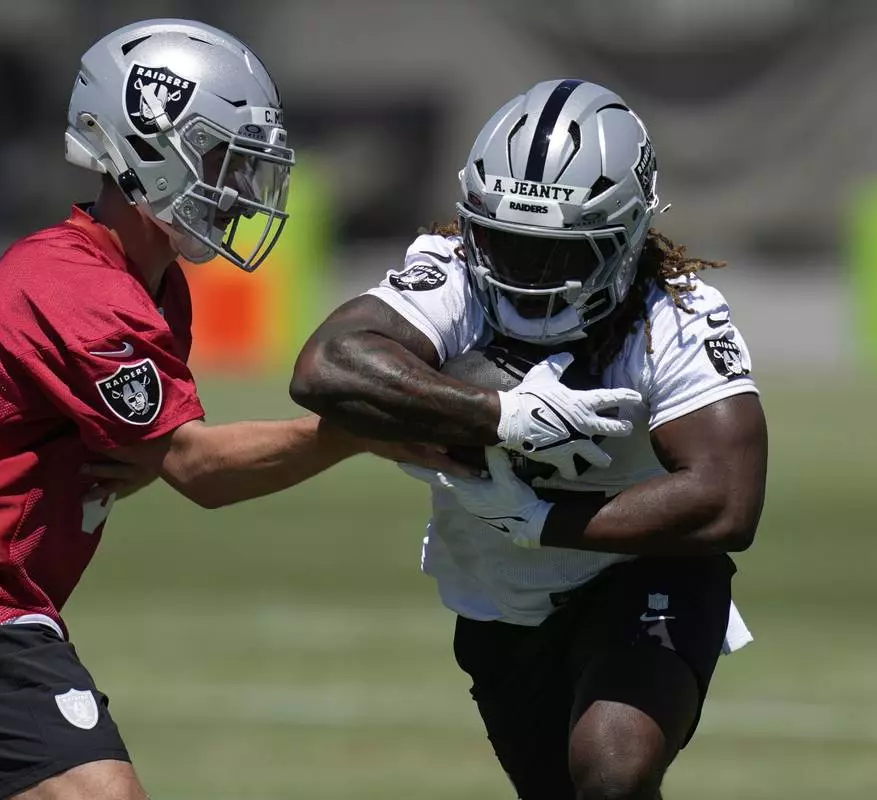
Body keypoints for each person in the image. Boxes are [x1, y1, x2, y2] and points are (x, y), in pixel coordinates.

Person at [0, 19, 449, 800]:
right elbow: (199, 469)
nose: (238, 188)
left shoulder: (154, 285)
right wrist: (359, 427)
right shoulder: (78, 285)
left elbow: (136, 450)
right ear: (147, 151)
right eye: (219, 160)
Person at [290, 78, 768, 800]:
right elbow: (325, 365)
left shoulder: (675, 316)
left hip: (644, 568)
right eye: (508, 244)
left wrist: (546, 522)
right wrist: (499, 416)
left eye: (562, 253)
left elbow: (727, 501)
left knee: (612, 771)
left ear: (629, 233)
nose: (529, 275)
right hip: (500, 594)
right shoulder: (450, 273)